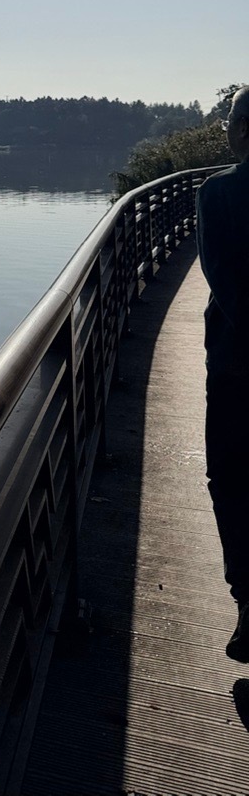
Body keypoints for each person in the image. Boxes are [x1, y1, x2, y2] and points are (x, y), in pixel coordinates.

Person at [197, 86, 249, 659]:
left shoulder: (218, 194)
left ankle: (248, 603)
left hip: (235, 365)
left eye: (231, 122)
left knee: (231, 483)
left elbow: (224, 282)